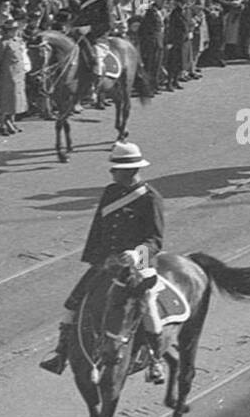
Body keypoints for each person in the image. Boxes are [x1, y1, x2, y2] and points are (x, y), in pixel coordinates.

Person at [39, 141, 167, 383]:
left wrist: (135, 254)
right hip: (108, 263)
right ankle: (61, 353)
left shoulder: (150, 198)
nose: (112, 172)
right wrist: (99, 258)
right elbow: (98, 229)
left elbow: (155, 240)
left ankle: (155, 358)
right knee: (72, 304)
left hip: (138, 265)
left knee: (146, 306)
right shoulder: (110, 193)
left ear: (130, 170)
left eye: (115, 168)